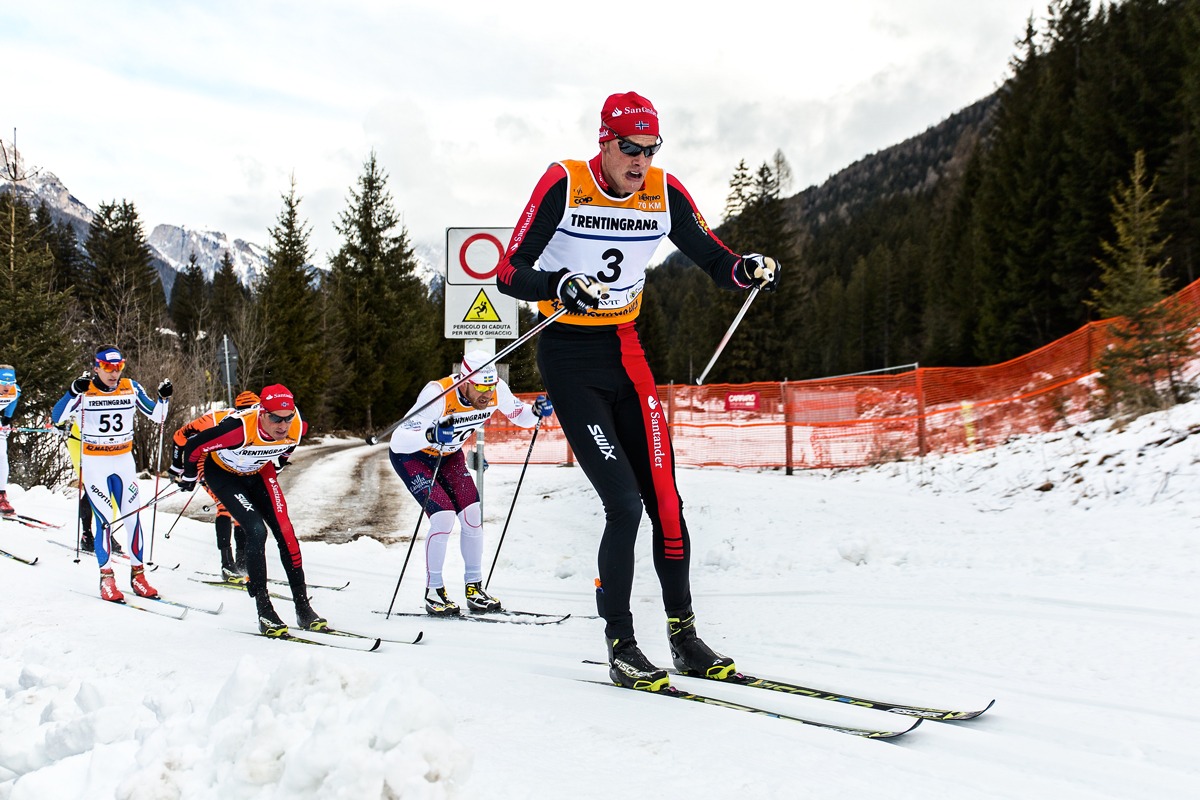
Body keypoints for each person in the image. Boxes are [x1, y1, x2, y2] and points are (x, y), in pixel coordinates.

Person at [495, 91, 781, 691]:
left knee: (666, 503)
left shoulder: (664, 193)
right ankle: (621, 643)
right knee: (623, 504)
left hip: (626, 354)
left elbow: (715, 259)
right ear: (604, 141)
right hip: (570, 358)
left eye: (651, 150)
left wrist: (746, 267)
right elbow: (508, 269)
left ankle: (684, 636)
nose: (640, 162)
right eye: (630, 149)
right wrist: (558, 283)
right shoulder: (564, 183)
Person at [389, 350, 553, 616]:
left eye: (490, 387)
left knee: (472, 514)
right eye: (480, 388)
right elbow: (399, 439)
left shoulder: (496, 389)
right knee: (443, 517)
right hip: (413, 457)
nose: (487, 395)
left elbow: (519, 415)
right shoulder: (437, 394)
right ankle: (434, 591)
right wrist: (431, 433)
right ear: (464, 381)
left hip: (450, 455)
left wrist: (534, 411)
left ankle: (474, 588)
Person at [173, 384, 325, 636]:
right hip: (224, 474)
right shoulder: (237, 429)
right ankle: (264, 610)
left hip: (258, 472)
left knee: (286, 533)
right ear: (262, 413)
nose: (283, 425)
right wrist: (188, 476)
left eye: (287, 418)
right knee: (256, 531)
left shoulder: (296, 426)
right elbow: (193, 447)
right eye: (276, 418)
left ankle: (303, 607)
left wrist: (275, 467)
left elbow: (285, 451)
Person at [51, 346, 172, 601]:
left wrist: (164, 399)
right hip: (95, 463)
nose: (114, 372)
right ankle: (106, 578)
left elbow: (157, 416)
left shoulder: (131, 387)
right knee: (104, 520)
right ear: (96, 366)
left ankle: (138, 575)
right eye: (107, 367)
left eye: (119, 366)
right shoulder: (85, 390)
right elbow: (57, 417)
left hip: (123, 462)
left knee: (132, 519)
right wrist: (72, 391)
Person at [170, 391, 260, 582]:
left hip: (227, 464)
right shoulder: (214, 419)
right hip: (204, 461)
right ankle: (227, 565)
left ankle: (243, 564)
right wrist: (178, 467)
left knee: (242, 506)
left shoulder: (259, 423)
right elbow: (179, 436)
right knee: (225, 505)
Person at [0, 365, 21, 515]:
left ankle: (1, 495)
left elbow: (11, 405)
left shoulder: (15, 391)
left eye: (10, 383)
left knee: (1, 455)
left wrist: (6, 421)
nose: (7, 387)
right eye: (3, 382)